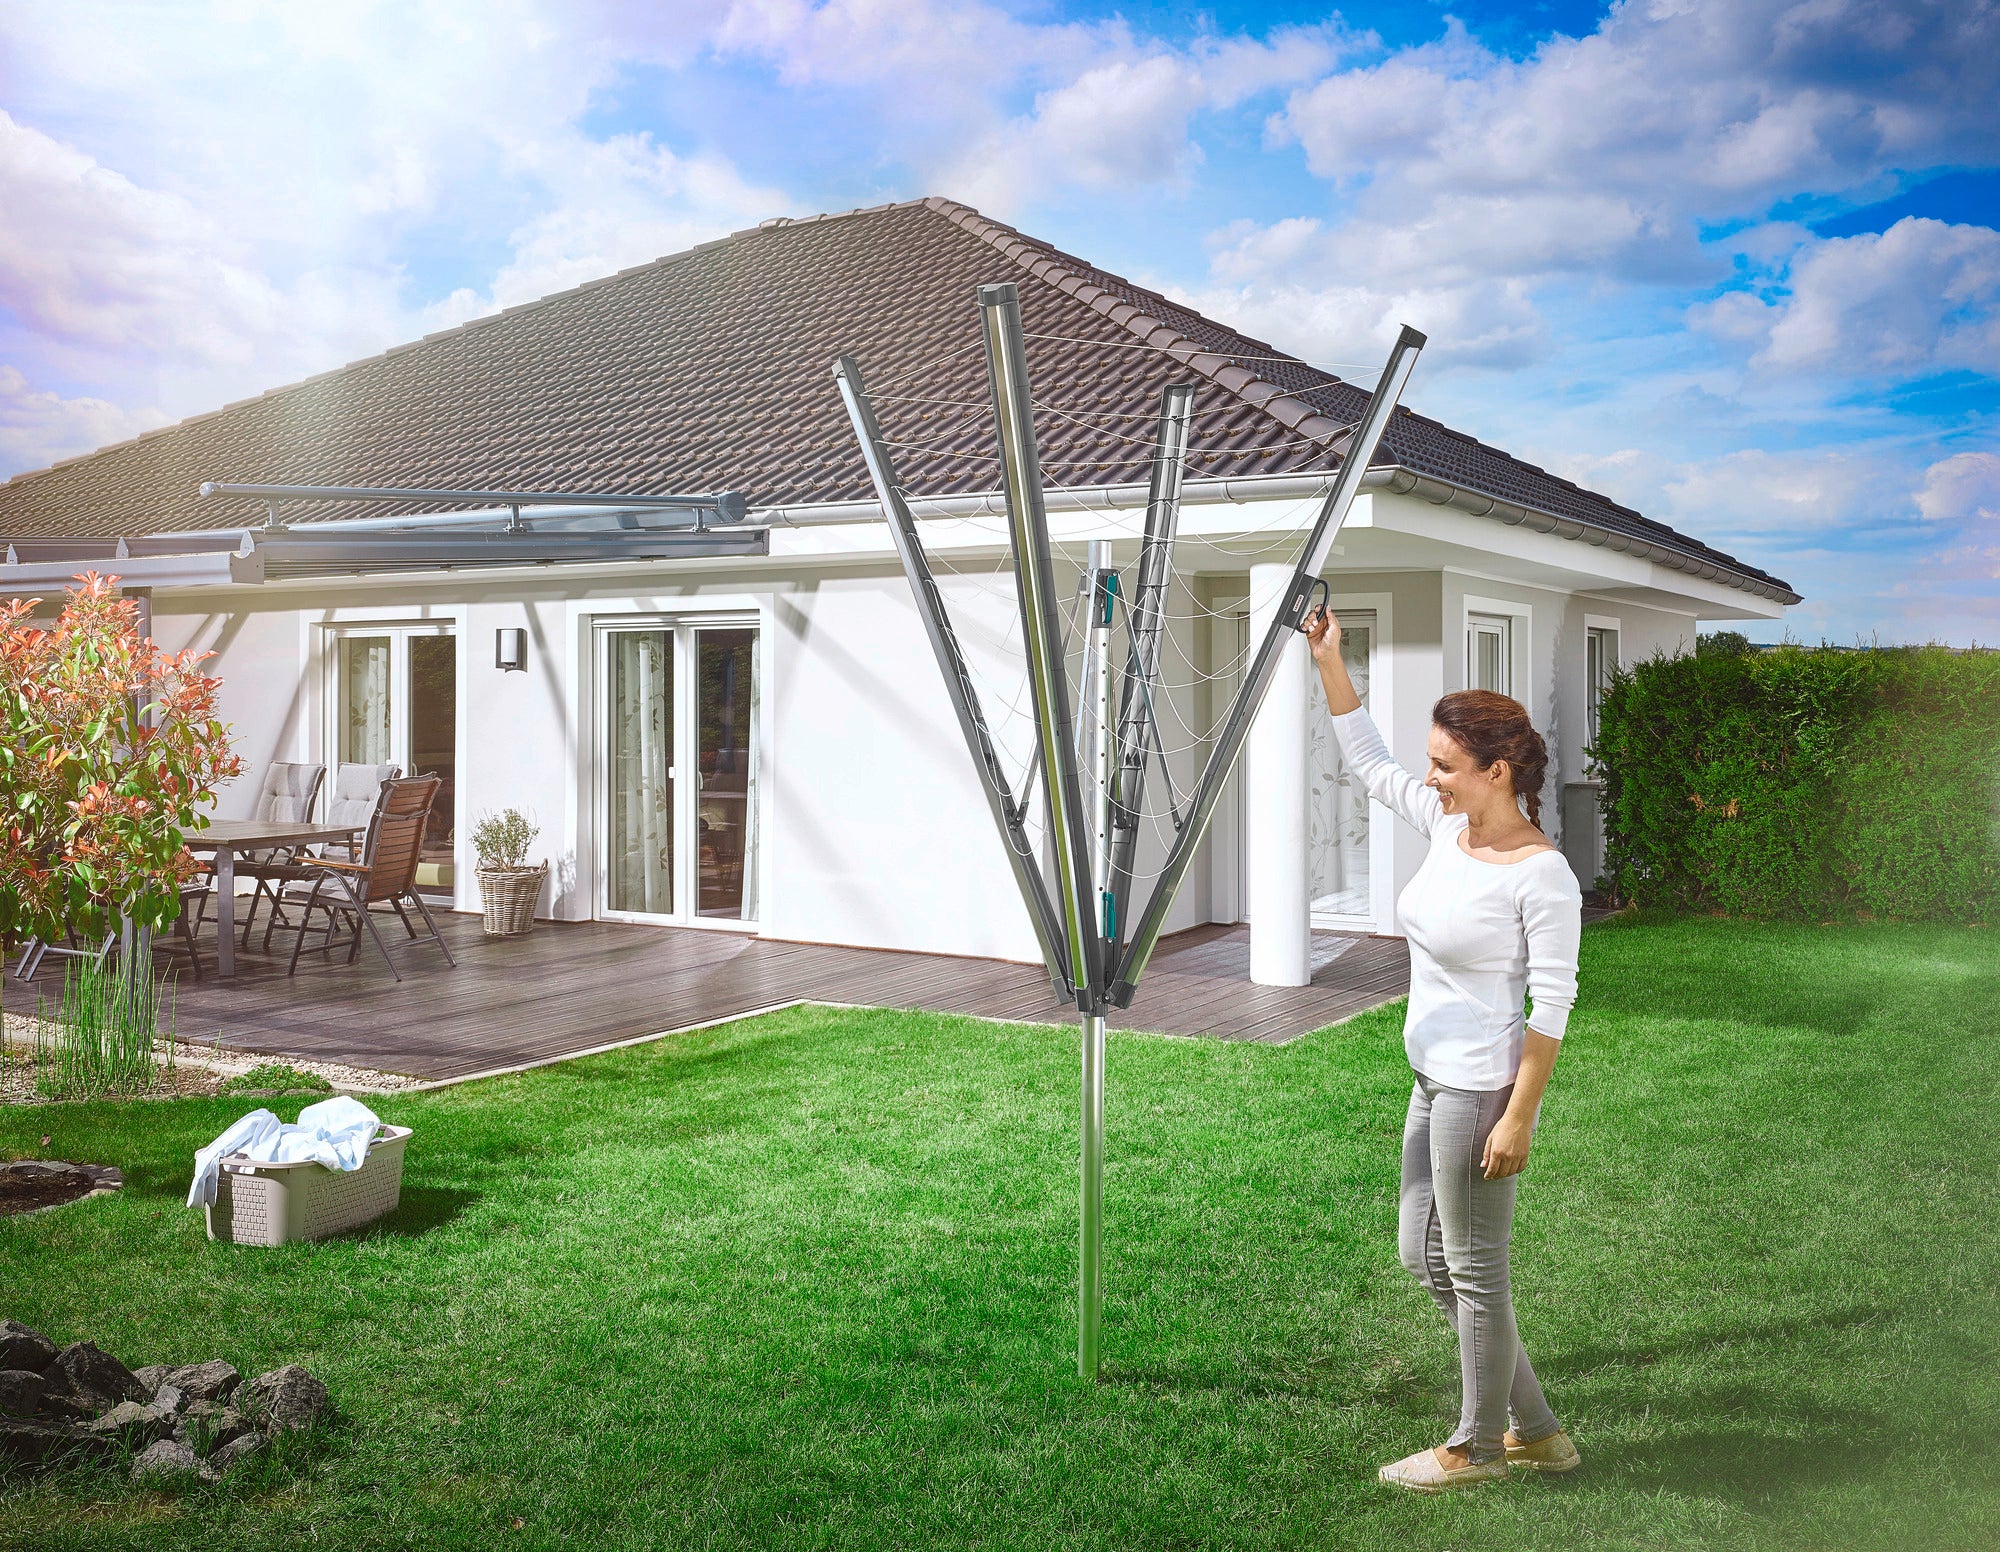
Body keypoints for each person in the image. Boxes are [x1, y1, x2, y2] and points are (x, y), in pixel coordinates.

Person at [1302, 606, 1584, 1492]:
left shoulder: (1542, 874)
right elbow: (1369, 761)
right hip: (1430, 1077)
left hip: (1479, 1091)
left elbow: (1555, 1002)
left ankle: (1475, 1446)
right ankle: (1536, 1430)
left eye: (1447, 765)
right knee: (1425, 1259)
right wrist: (1329, 661)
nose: (1431, 777)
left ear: (1497, 771)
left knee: (1471, 1271)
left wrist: (1520, 1115)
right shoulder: (1445, 825)